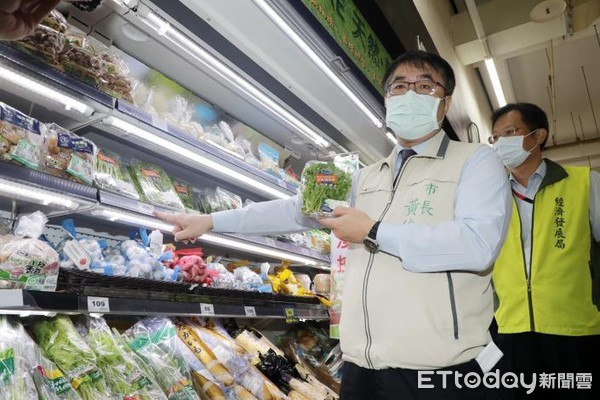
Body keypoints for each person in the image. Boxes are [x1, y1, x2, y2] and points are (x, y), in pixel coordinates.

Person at [157, 50, 512, 399]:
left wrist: (374, 231)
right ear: (388, 101)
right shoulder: (363, 177)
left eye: (424, 86)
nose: (410, 94)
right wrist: (210, 220)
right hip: (361, 366)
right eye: (399, 87)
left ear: (445, 103)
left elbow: (477, 244)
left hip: (439, 369)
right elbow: (297, 211)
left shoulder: (477, 161)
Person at [489, 103, 600, 400]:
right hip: (510, 330)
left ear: (538, 136)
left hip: (575, 330)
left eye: (510, 132)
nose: (501, 143)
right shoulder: (490, 198)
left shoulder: (584, 183)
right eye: (495, 137)